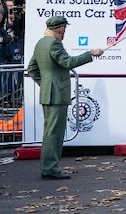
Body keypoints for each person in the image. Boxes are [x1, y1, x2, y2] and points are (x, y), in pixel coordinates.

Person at [26, 16, 103, 180]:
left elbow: (32, 69)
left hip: (48, 93)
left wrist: (45, 83)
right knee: (55, 134)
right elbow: (68, 62)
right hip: (57, 94)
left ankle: (49, 167)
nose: (65, 31)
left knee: (50, 132)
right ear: (60, 29)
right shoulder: (54, 44)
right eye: (64, 28)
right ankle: (50, 168)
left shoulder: (41, 43)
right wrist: (90, 54)